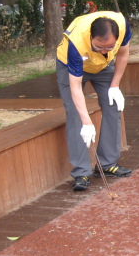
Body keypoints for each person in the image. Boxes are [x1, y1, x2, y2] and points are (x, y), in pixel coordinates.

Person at [56, 11, 133, 192]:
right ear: (91, 38)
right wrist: (87, 122)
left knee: (113, 105)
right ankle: (81, 172)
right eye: (100, 47)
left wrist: (115, 86)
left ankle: (106, 163)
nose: (105, 50)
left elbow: (122, 55)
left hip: (103, 66)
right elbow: (75, 87)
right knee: (75, 115)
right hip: (71, 66)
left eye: (109, 47)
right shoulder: (76, 43)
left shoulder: (122, 25)